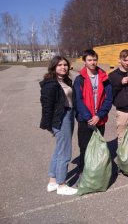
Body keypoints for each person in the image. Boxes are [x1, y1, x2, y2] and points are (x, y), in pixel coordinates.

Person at [40, 56, 77, 195]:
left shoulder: (65, 80)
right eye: (60, 65)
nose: (63, 67)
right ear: (54, 67)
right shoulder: (50, 84)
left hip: (69, 115)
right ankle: (62, 185)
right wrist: (50, 126)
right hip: (61, 119)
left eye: (65, 65)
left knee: (58, 150)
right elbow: (46, 107)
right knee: (65, 152)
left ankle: (52, 181)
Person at [73, 49, 113, 173]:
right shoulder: (80, 79)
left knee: (98, 147)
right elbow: (78, 100)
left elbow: (109, 98)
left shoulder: (104, 77)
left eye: (94, 60)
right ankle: (83, 174)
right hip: (85, 120)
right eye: (89, 60)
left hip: (99, 120)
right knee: (84, 147)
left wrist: (99, 116)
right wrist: (88, 117)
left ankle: (96, 173)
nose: (92, 62)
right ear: (84, 61)